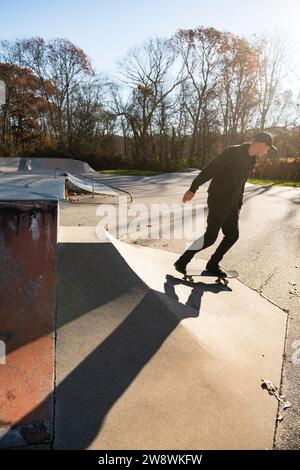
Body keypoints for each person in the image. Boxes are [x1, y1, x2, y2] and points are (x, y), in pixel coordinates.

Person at [174, 132, 278, 276]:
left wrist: (238, 204)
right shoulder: (233, 152)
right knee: (210, 237)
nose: (267, 152)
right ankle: (182, 261)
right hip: (218, 199)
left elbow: (241, 183)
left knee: (232, 236)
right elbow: (210, 170)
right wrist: (193, 188)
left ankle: (213, 264)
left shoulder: (252, 159)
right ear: (262, 144)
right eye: (267, 148)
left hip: (233, 203)